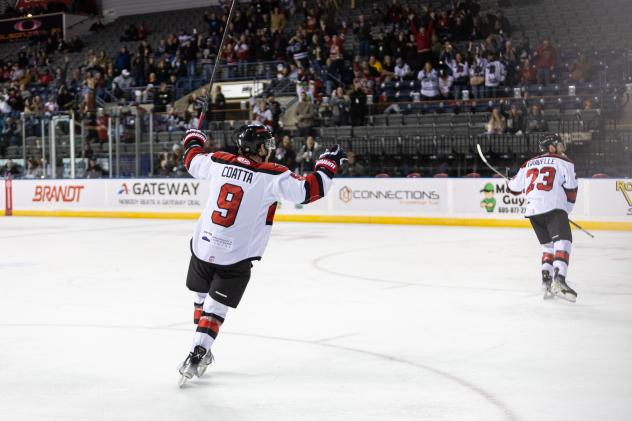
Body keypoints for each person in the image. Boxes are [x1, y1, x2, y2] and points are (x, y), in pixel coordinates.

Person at [176, 125, 346, 385]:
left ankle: (203, 347)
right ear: (259, 147)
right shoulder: (272, 175)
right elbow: (312, 190)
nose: (270, 147)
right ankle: (196, 354)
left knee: (202, 298)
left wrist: (194, 136)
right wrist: (328, 163)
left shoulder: (218, 161)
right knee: (216, 308)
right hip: (234, 255)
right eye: (267, 143)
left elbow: (190, 158)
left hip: (202, 247)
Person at [507, 133, 578, 302]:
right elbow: (572, 191)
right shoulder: (565, 162)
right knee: (563, 242)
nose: (562, 147)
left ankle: (546, 282)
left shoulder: (528, 163)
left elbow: (513, 188)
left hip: (534, 212)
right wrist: (565, 211)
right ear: (551, 147)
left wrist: (509, 180)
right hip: (553, 208)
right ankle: (559, 281)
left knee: (548, 246)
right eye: (559, 144)